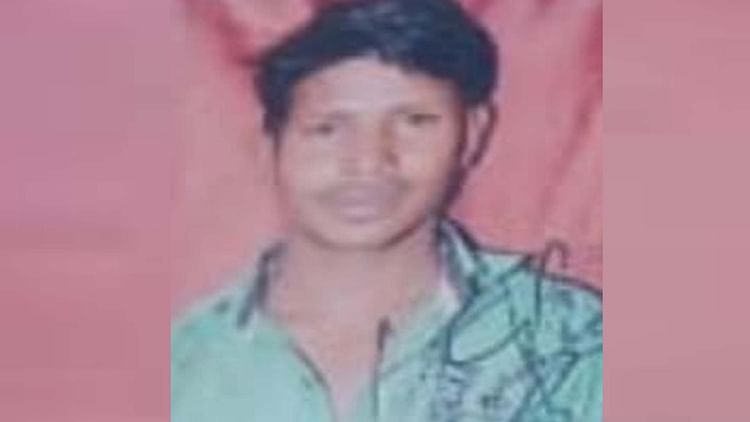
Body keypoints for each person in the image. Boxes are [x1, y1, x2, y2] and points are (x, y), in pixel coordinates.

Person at [171, 0, 602, 421]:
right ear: (270, 146)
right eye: (327, 129)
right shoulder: (181, 358)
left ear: (472, 134)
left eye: (414, 121)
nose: (368, 162)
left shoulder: (572, 344)